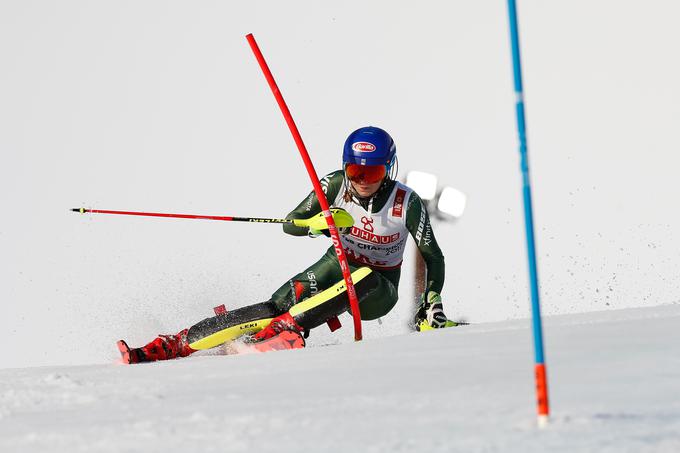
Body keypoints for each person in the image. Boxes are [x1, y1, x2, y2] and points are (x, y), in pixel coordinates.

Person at [117, 126, 455, 364]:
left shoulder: (404, 201)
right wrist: (318, 224)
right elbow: (290, 223)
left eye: (373, 172)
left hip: (378, 288)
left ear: (389, 169)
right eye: (355, 170)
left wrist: (431, 301)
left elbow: (432, 255)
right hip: (337, 261)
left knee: (364, 275)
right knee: (278, 302)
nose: (362, 181)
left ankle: (289, 328)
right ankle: (174, 344)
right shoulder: (336, 185)